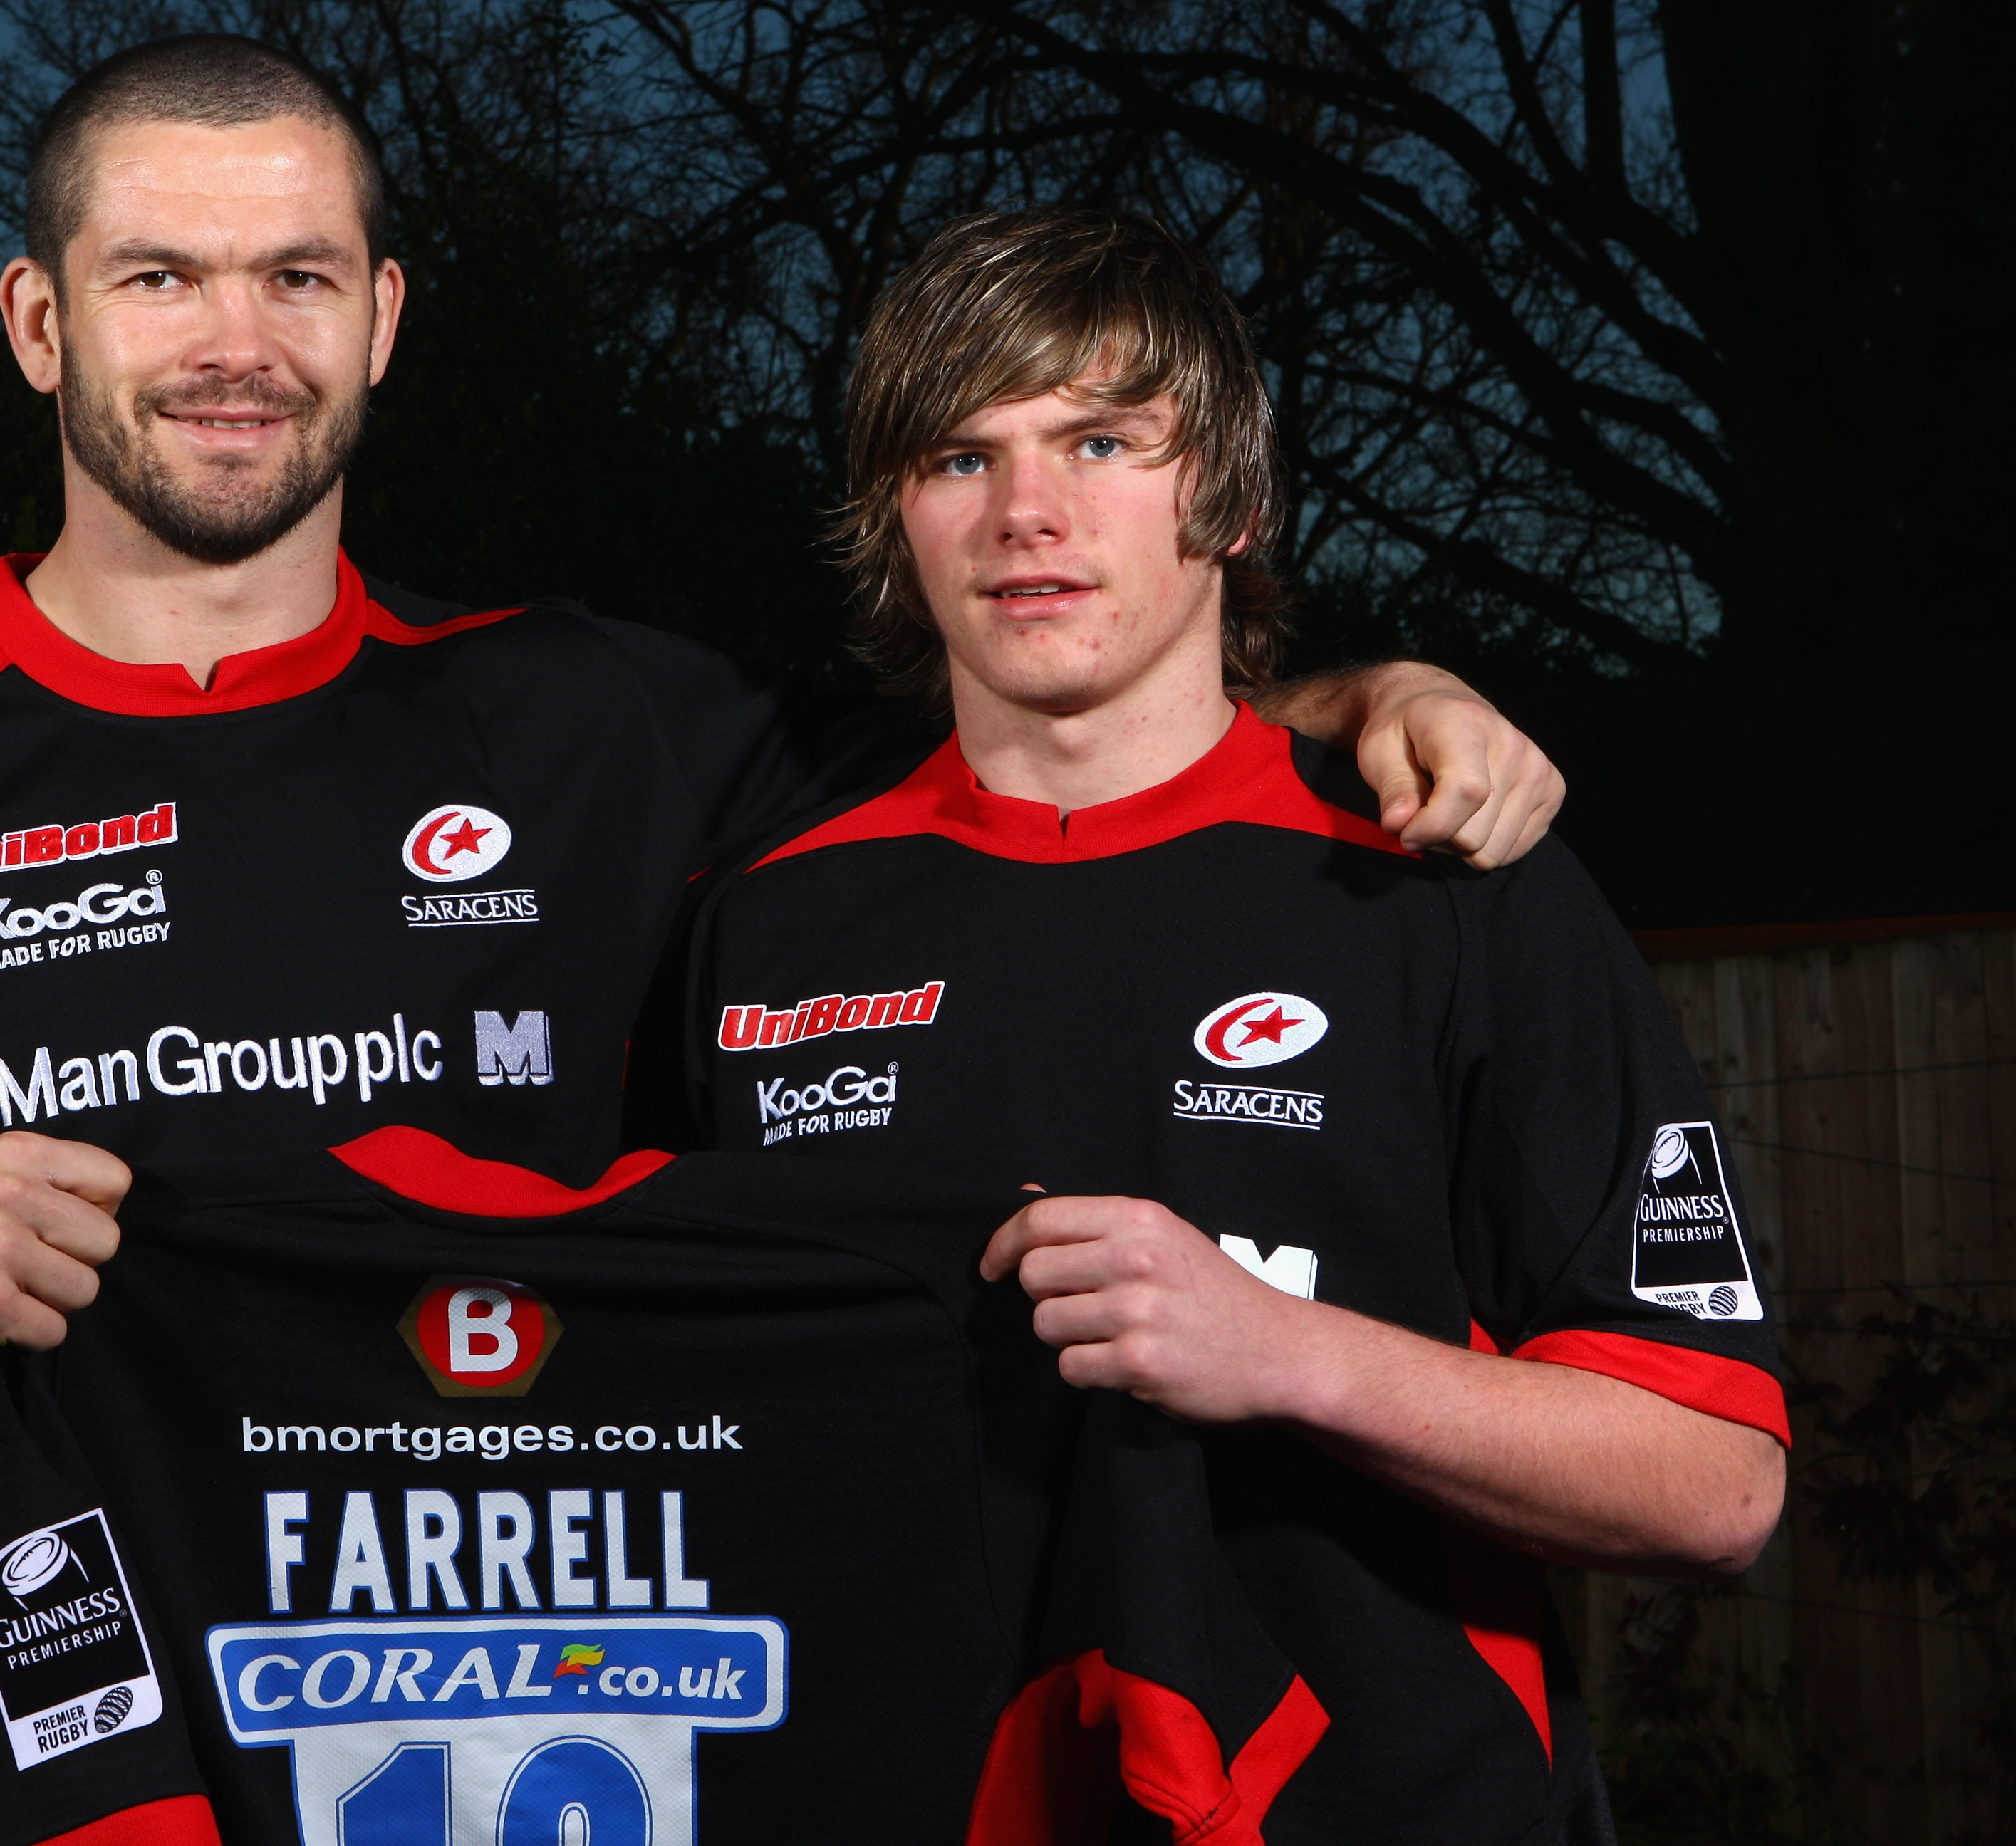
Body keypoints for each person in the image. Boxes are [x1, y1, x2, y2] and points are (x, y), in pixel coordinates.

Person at [0, 35, 1554, 1463]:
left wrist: (1357, 697)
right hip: (49, 1764)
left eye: (296, 275)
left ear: (381, 319)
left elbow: (1043, 744)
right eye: (159, 278)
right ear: (39, 325)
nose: (234, 345)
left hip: (560, 1745)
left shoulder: (600, 721)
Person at [681, 208, 1785, 1841]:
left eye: (1104, 441)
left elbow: (1716, 1484)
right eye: (958, 460)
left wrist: (1283, 1355)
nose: (1027, 516)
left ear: (1236, 498)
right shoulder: (771, 920)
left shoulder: (1448, 879)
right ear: (895, 520)